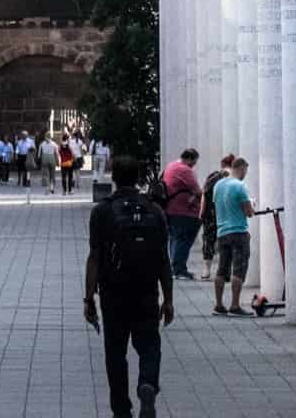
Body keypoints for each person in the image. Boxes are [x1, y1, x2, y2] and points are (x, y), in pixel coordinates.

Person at [83, 155, 172, 418]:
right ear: (138, 178)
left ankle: (121, 409)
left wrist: (89, 299)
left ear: (114, 177)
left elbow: (94, 257)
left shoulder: (102, 211)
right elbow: (163, 259)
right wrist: (168, 299)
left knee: (115, 353)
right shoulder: (154, 210)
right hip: (146, 291)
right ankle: (147, 383)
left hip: (113, 294)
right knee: (150, 346)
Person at [212, 158, 255, 316]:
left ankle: (218, 305)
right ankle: (235, 306)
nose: (245, 174)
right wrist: (252, 204)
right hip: (238, 232)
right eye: (246, 170)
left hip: (222, 232)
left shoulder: (218, 185)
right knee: (239, 269)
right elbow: (248, 212)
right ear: (242, 168)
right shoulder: (240, 186)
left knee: (221, 270)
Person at [160, 149, 202, 280]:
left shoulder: (171, 166)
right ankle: (179, 269)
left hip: (170, 209)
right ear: (189, 159)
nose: (194, 165)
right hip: (183, 211)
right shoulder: (184, 170)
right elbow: (198, 190)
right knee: (184, 239)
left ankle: (175, 267)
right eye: (194, 162)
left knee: (175, 238)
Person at [197, 154, 234, 281]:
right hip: (227, 214)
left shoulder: (213, 176)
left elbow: (204, 193)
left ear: (222, 164)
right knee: (227, 241)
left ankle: (206, 270)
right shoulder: (234, 177)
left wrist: (202, 211)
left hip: (211, 214)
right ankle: (226, 271)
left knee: (209, 240)